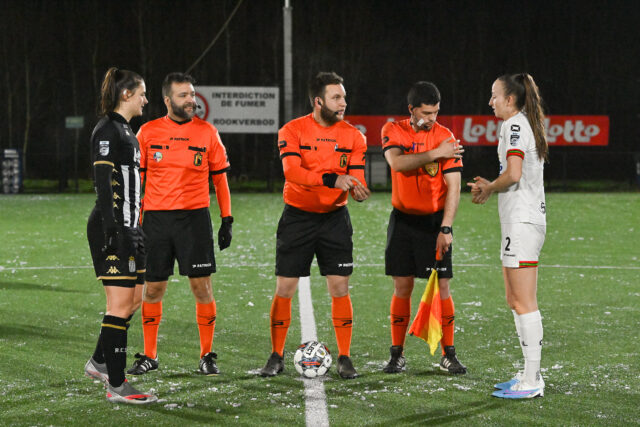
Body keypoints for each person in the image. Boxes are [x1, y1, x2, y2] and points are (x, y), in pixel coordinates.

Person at [259, 71, 371, 379]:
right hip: (297, 218)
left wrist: (358, 190)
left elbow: (357, 176)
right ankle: (275, 355)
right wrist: (335, 179)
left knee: (339, 287)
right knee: (285, 287)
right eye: (336, 97)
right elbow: (292, 172)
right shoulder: (292, 131)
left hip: (335, 219)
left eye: (344, 97)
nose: (343, 103)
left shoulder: (354, 136)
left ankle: (345, 357)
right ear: (318, 101)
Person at [126, 72, 232, 376]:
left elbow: (220, 179)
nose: (191, 100)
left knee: (201, 287)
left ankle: (207, 355)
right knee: (154, 288)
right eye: (184, 95)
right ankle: (149, 355)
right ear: (167, 99)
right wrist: (134, 222)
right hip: (156, 221)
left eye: (193, 94)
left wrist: (227, 219)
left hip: (194, 220)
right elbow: (139, 181)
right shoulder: (147, 132)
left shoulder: (208, 133)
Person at [468, 73, 548, 399]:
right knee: (514, 300)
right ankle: (528, 373)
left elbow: (513, 175)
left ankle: (533, 379)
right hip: (519, 223)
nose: (491, 102)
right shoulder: (520, 124)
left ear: (510, 100)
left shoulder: (514, 125)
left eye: (494, 95)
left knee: (524, 301)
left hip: (523, 223)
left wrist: (489, 186)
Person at [381, 81, 467, 375]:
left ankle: (449, 354)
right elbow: (397, 163)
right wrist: (435, 154)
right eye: (426, 112)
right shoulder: (393, 130)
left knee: (442, 288)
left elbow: (453, 187)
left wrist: (446, 227)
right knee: (402, 286)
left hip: (434, 224)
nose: (432, 118)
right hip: (403, 221)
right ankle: (396, 354)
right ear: (411, 110)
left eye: (436, 112)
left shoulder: (446, 136)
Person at [84, 67, 157, 404]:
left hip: (131, 226)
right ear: (126, 94)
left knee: (135, 301)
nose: (146, 99)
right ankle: (116, 384)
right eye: (141, 93)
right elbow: (102, 184)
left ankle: (100, 361)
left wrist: (133, 227)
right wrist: (114, 230)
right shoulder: (108, 129)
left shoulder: (127, 130)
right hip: (112, 227)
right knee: (119, 305)